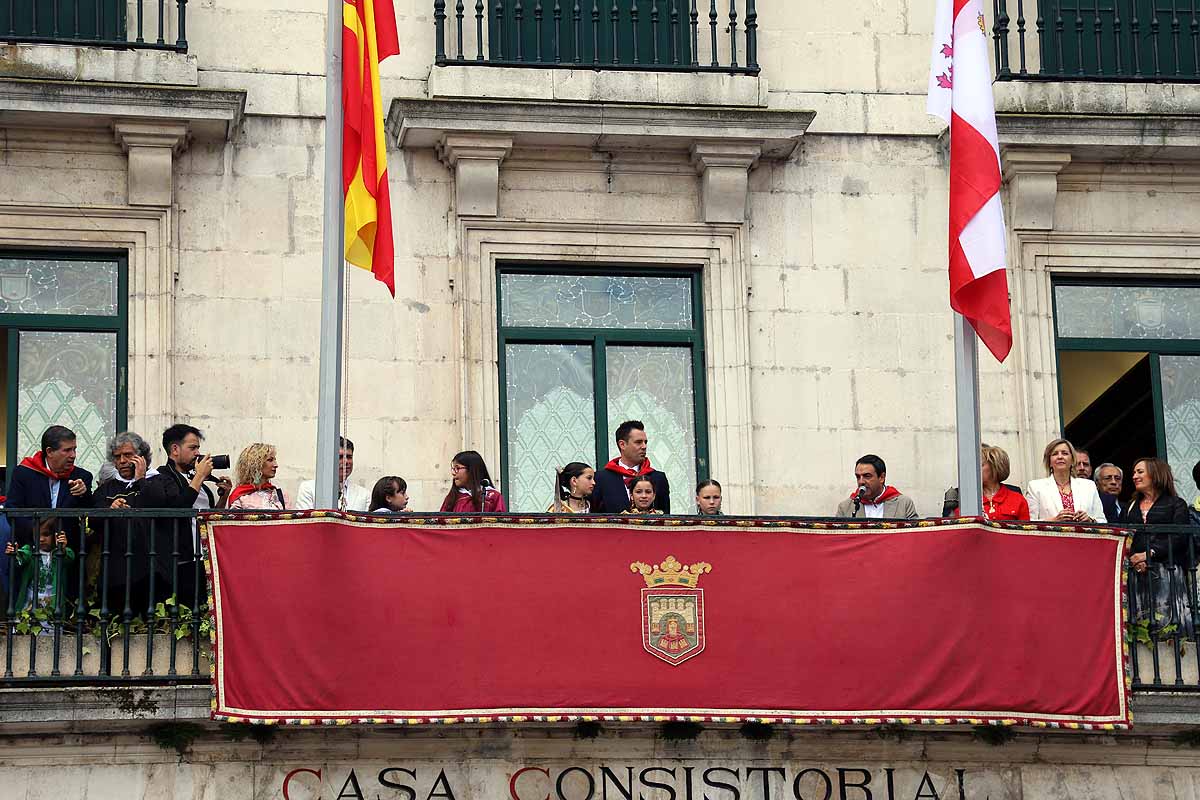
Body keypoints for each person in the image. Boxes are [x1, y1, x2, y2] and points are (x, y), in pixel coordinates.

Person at [1120, 457, 1195, 637]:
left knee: (1169, 624)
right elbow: (1123, 536)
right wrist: (1134, 559)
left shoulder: (1176, 504)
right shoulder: (1130, 506)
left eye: (1140, 472)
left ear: (1155, 474)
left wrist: (1148, 554)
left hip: (1166, 573)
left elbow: (1179, 537)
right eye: (1134, 473)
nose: (1134, 476)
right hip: (1137, 573)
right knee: (1140, 623)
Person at [6, 425, 94, 544]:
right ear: (49, 451)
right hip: (31, 550)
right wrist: (38, 533)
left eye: (74, 449)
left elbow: (90, 512)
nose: (73, 455)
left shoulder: (81, 477)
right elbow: (13, 510)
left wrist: (83, 494)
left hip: (68, 553)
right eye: (67, 450)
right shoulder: (24, 473)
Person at [592, 421, 671, 514]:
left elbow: (665, 516)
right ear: (622, 445)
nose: (644, 446)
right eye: (638, 442)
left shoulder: (658, 478)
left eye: (645, 442)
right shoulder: (601, 478)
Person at [4, 517, 75, 615]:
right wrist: (15, 554)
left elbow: (69, 558)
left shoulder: (59, 554)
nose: (41, 539)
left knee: (50, 625)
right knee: (29, 623)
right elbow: (22, 558)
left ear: (56, 535)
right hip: (31, 598)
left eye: (46, 535)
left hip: (52, 599)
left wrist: (62, 548)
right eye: (37, 535)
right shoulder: (30, 550)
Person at [1024, 438, 1106, 523]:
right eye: (1055, 454)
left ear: (1072, 460)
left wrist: (1090, 520)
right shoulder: (1035, 487)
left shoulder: (1089, 486)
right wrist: (1054, 520)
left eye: (1065, 453)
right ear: (1049, 462)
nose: (1060, 457)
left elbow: (1102, 521)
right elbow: (1029, 522)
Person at [294, 437, 370, 512]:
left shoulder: (364, 495)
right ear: (328, 459)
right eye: (340, 457)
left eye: (349, 457)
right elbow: (307, 522)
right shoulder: (309, 489)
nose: (346, 461)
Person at [834, 455, 918, 519]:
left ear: (881, 477)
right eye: (858, 477)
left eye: (867, 476)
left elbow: (913, 537)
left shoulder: (904, 504)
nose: (861, 481)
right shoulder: (845, 507)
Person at [94, 431, 157, 510]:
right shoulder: (105, 490)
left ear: (141, 457)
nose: (122, 461)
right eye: (117, 457)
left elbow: (159, 504)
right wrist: (110, 510)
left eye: (127, 455)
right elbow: (94, 518)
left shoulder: (160, 481)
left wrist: (141, 480)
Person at [440, 451, 507, 513]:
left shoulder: (493, 497)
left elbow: (501, 522)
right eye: (453, 469)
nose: (453, 473)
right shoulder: (452, 498)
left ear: (471, 470)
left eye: (458, 468)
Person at [227, 444, 286, 511]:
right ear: (256, 464)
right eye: (270, 460)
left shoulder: (280, 495)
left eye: (275, 460)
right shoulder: (240, 497)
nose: (276, 465)